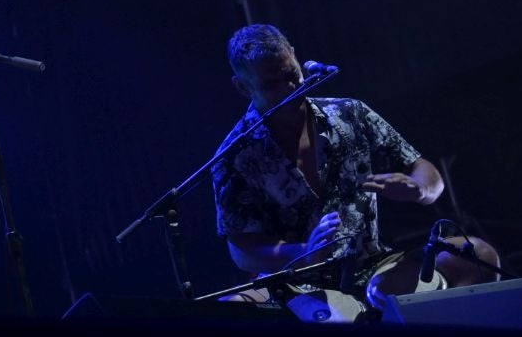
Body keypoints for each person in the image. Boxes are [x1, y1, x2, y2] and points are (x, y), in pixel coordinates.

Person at [212, 23, 499, 319]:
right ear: (243, 87)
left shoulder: (350, 113)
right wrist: (302, 252)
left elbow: (424, 171)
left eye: (291, 74)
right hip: (297, 283)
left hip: (375, 265)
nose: (289, 88)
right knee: (225, 315)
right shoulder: (234, 156)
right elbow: (242, 250)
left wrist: (418, 189)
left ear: (296, 57)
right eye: (272, 84)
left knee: (478, 256)